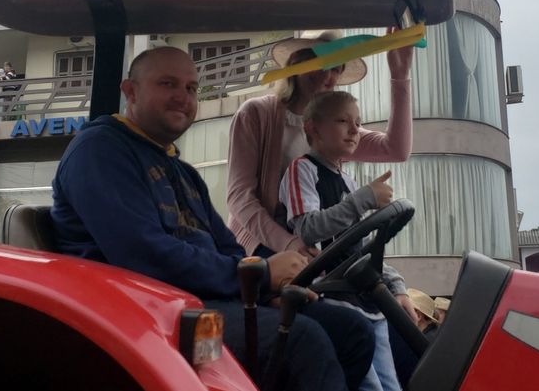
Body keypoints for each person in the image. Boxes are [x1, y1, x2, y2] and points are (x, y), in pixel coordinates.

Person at [51, 47, 374, 391]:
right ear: (130, 91)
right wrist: (262, 275)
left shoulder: (183, 172)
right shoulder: (101, 150)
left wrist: (263, 291)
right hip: (146, 315)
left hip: (202, 302)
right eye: (167, 84)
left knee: (352, 331)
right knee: (303, 340)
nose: (183, 97)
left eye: (191, 88)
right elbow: (144, 254)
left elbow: (227, 246)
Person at [227, 29, 413, 260]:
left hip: (316, 246)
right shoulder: (255, 114)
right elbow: (239, 197)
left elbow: (396, 150)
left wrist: (400, 75)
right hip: (259, 248)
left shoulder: (335, 130)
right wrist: (288, 243)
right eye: (320, 62)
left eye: (336, 68)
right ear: (296, 64)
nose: (327, 75)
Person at [279, 90, 411, 391]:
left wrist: (396, 286)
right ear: (313, 129)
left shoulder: (349, 183)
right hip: (329, 294)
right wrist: (363, 199)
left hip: (363, 297)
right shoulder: (303, 169)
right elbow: (308, 229)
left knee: (390, 385)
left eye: (358, 123)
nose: (354, 130)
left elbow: (360, 250)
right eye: (342, 121)